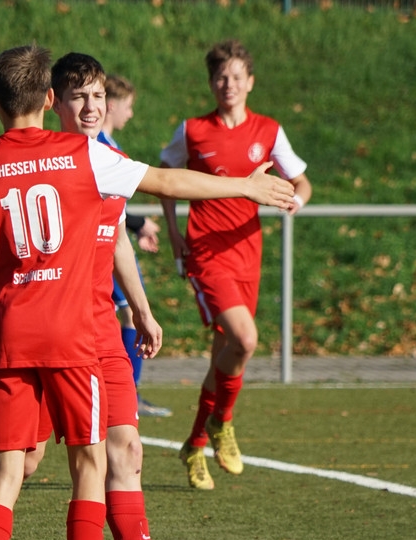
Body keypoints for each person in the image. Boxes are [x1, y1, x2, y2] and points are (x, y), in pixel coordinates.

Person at [0, 44, 295, 540]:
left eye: (98, 96)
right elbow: (169, 181)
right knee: (84, 464)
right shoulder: (85, 156)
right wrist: (245, 187)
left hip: (16, 334)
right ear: (50, 99)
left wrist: (137, 307)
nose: (90, 106)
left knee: (20, 468)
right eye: (78, 95)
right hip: (73, 332)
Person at [159, 39, 313, 490]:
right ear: (211, 83)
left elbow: (301, 182)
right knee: (245, 340)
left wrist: (296, 202)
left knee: (224, 353)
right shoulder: (192, 131)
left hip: (248, 255)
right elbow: (165, 179)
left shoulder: (269, 130)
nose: (228, 84)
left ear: (250, 82)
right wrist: (173, 233)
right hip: (206, 254)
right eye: (220, 77)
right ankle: (222, 421)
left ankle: (194, 444)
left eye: (236, 77)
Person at [98, 73, 172, 419]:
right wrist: (140, 223)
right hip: (105, 246)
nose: (130, 114)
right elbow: (105, 200)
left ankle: (124, 391)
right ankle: (129, 392)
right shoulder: (98, 144)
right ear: (111, 105)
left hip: (116, 239)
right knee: (128, 312)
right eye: (128, 107)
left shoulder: (107, 143)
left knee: (125, 313)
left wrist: (137, 225)